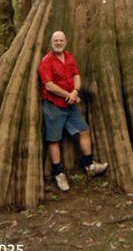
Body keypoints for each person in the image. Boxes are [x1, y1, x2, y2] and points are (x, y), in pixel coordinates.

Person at [38, 30, 108, 191]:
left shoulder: (69, 57)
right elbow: (48, 85)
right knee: (54, 139)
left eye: (61, 40)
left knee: (84, 131)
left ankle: (90, 165)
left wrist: (76, 91)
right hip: (54, 106)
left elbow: (76, 74)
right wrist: (67, 94)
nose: (58, 42)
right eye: (56, 40)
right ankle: (58, 173)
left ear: (65, 41)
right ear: (51, 42)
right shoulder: (46, 61)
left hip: (70, 105)